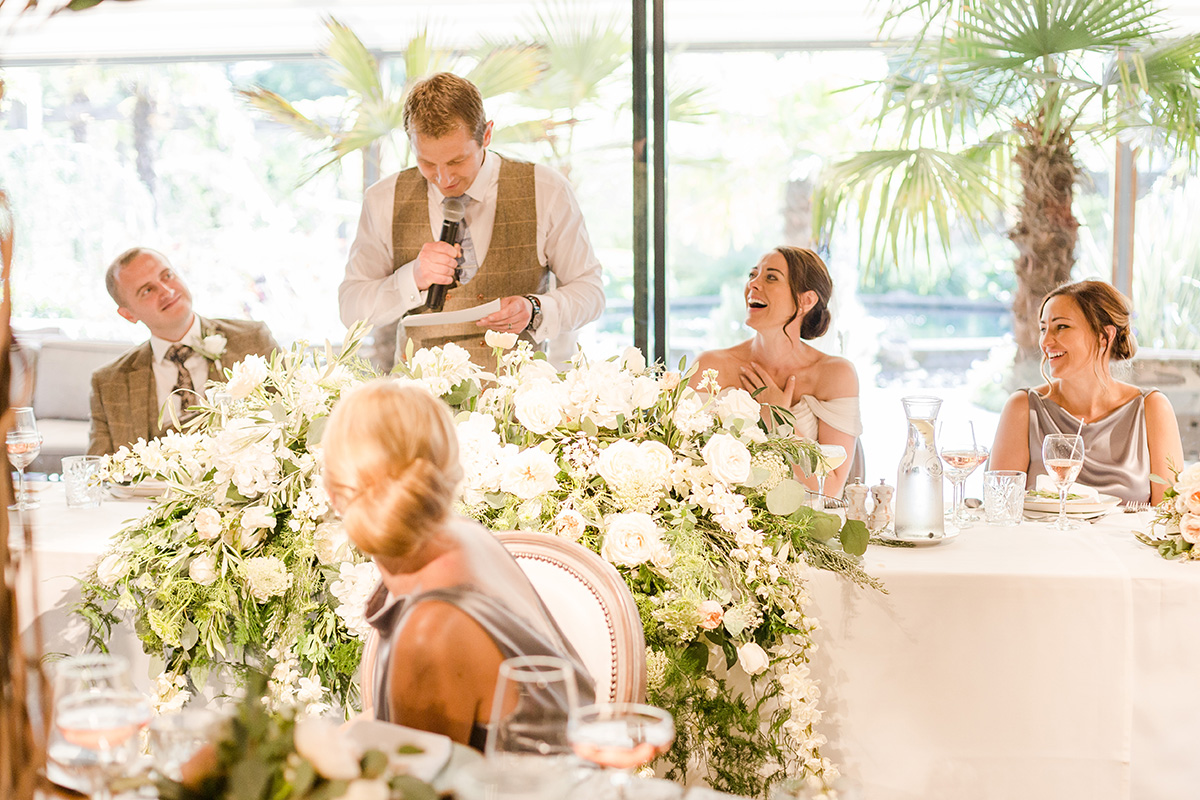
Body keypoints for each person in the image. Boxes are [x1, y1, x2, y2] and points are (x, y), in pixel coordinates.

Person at [322, 379, 595, 750]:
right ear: (447, 471)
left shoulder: (429, 634)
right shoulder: (463, 534)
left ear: (334, 493)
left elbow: (417, 790)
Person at [338, 72, 605, 367]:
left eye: (456, 161)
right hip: (421, 404)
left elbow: (590, 291)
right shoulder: (383, 200)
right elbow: (351, 308)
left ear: (486, 135)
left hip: (518, 404)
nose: (444, 178)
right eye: (427, 163)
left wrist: (536, 308)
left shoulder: (547, 190)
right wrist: (413, 277)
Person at [991, 280, 1183, 505]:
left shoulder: (1152, 408)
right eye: (1043, 329)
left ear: (1104, 336)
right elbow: (1000, 510)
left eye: (1061, 327)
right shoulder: (1023, 408)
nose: (1045, 341)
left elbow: (1170, 516)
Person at [691, 246, 863, 499]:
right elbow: (681, 459)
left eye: (771, 277)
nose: (753, 284)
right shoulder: (710, 367)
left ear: (806, 300)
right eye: (752, 275)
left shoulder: (836, 375)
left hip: (804, 528)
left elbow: (831, 489)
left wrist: (781, 421)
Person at [88, 248, 280, 455]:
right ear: (128, 314)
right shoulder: (108, 383)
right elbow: (99, 473)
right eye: (147, 290)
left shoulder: (253, 341)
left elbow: (296, 425)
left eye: (167, 276)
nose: (167, 291)